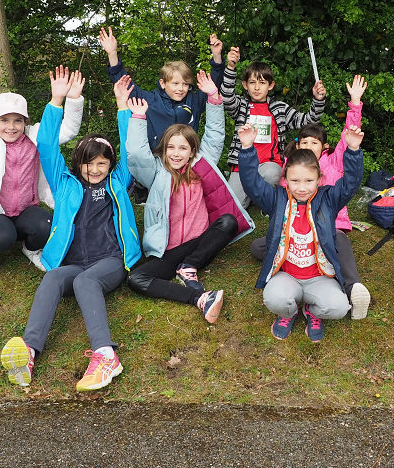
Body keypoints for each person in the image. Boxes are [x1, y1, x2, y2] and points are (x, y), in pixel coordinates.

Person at [0, 67, 142, 392]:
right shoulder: (64, 184)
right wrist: (56, 100)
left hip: (110, 261)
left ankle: (106, 356)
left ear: (110, 164)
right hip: (74, 261)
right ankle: (29, 352)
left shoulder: (118, 181)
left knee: (85, 281)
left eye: (102, 163)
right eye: (88, 163)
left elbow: (131, 150)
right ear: (78, 164)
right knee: (53, 277)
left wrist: (123, 107)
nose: (95, 169)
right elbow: (46, 146)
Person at [122, 71, 254, 323]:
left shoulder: (201, 165)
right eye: (171, 147)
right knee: (136, 279)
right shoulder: (155, 173)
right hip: (167, 249)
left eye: (183, 148)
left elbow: (214, 135)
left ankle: (189, 267)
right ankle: (198, 298)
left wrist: (213, 99)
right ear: (163, 150)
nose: (176, 153)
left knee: (228, 222)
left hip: (198, 241)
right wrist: (138, 118)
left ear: (192, 151)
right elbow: (137, 156)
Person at [0, 54, 84, 283]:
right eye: (4, 120)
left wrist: (73, 99)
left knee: (47, 226)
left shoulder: (35, 137)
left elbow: (68, 129)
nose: (11, 127)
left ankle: (30, 249)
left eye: (18, 120)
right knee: (2, 236)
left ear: (25, 121)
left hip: (25, 209)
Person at [250, 74, 372, 319]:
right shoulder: (290, 168)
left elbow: (349, 137)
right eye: (304, 142)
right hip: (296, 230)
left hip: (329, 226)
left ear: (324, 148)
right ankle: (294, 266)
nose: (308, 146)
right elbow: (280, 197)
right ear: (297, 147)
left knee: (338, 241)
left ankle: (351, 288)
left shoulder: (333, 162)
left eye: (314, 143)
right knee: (258, 246)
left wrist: (355, 104)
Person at [239, 120, 364, 342]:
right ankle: (289, 312)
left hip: (320, 277)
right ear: (285, 179)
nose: (302, 187)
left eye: (309, 181)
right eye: (295, 181)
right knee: (274, 299)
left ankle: (311, 310)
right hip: (287, 275)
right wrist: (248, 148)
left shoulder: (328, 199)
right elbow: (252, 184)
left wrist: (353, 151)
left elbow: (350, 184)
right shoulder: (277, 199)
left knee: (339, 307)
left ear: (319, 180)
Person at [219, 46, 326, 207]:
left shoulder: (279, 108)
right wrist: (230, 67)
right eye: (252, 83)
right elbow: (226, 97)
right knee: (230, 207)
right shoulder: (241, 106)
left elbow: (308, 121)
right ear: (245, 85)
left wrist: (318, 100)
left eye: (262, 83)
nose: (257, 88)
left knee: (273, 173)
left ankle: (266, 204)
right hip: (241, 166)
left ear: (270, 85)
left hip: (269, 164)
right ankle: (248, 199)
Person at [98, 27, 226, 151]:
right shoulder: (149, 100)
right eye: (175, 83)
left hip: (186, 161)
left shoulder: (194, 101)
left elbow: (213, 86)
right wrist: (112, 54)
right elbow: (123, 83)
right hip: (155, 160)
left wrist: (217, 56)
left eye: (185, 84)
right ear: (163, 83)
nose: (181, 88)